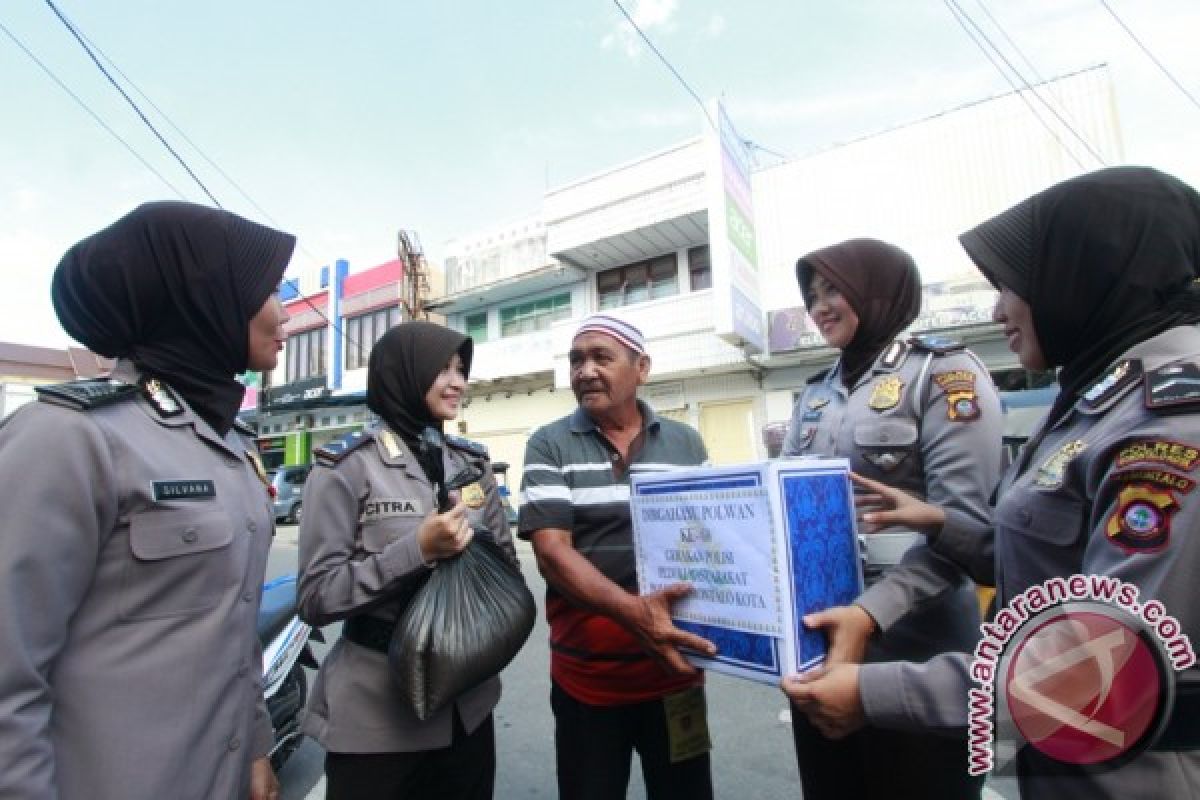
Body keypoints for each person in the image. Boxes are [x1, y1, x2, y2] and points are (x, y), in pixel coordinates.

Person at [785, 166, 1200, 798]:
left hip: (1109, 762)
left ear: (1081, 273)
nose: (997, 307)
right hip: (1024, 726)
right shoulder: (1089, 401)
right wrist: (939, 522)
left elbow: (1104, 667)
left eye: (1012, 284)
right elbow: (1025, 554)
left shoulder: (1171, 422)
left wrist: (877, 680)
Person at [0, 201, 295, 800]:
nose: (284, 313)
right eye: (266, 291)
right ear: (204, 298)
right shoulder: (70, 438)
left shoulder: (230, 444)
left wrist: (257, 746)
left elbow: (234, 632)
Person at [778, 238, 1002, 799]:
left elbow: (966, 527)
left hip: (920, 651)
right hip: (823, 646)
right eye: (812, 294)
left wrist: (869, 615)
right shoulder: (814, 394)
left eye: (835, 289)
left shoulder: (944, 374)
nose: (820, 305)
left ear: (878, 290)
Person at [297, 321, 517, 800]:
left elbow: (507, 568)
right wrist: (415, 552)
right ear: (403, 372)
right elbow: (316, 597)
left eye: (461, 369)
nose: (457, 381)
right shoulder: (346, 467)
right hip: (379, 718)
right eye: (442, 369)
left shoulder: (471, 463)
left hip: (468, 708)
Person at [518, 313, 718, 800]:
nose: (585, 371)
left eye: (601, 357)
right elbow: (551, 553)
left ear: (641, 368)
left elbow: (712, 541)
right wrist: (636, 614)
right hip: (588, 684)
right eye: (576, 360)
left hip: (675, 675)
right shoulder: (549, 443)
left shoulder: (685, 443)